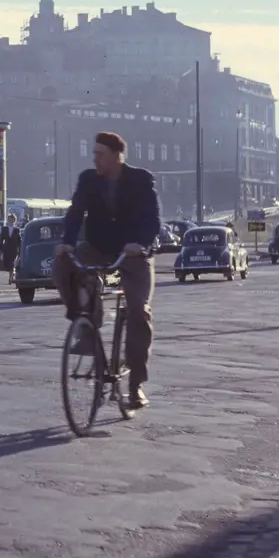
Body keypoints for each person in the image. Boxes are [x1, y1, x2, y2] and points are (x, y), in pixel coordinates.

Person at [52, 131, 161, 409]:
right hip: (99, 247)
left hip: (133, 250)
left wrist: (142, 245)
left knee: (139, 311)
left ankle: (135, 385)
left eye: (100, 154)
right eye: (94, 154)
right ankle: (85, 321)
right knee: (64, 265)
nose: (95, 159)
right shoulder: (88, 180)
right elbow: (75, 213)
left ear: (117, 156)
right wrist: (66, 243)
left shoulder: (140, 180)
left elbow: (152, 220)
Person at [0, 214, 21, 279]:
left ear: (15, 221)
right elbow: (1, 240)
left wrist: (20, 250)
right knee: (7, 263)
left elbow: (19, 241)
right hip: (6, 249)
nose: (11, 221)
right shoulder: (4, 229)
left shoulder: (17, 229)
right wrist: (1, 250)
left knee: (11, 264)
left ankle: (10, 278)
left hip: (14, 249)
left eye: (13, 219)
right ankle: (13, 272)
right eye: (10, 219)